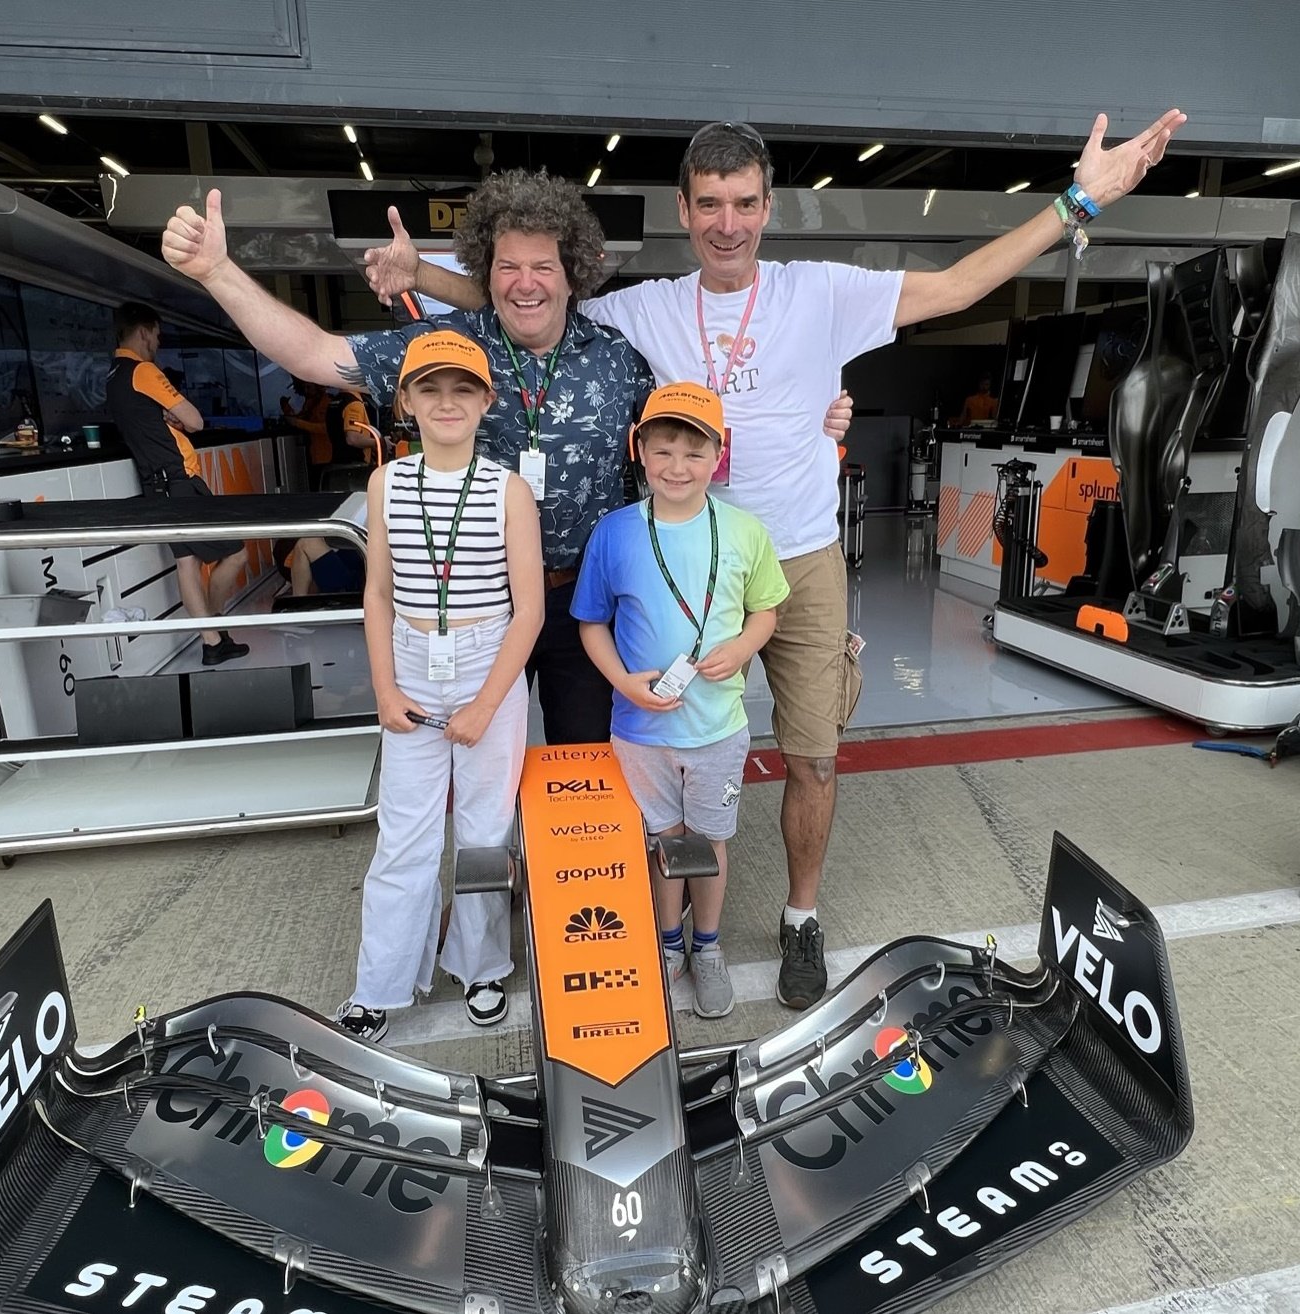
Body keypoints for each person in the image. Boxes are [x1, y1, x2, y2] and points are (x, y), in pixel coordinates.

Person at [365, 108, 1184, 1010]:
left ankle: (799, 917)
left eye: (745, 203)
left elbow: (955, 287)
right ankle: (666, 922)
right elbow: (531, 296)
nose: (728, 222)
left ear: (768, 207)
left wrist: (1077, 203)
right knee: (661, 750)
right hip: (680, 564)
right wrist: (429, 280)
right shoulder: (649, 307)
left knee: (814, 755)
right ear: (684, 209)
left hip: (797, 561)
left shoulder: (821, 292)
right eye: (710, 203)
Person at [163, 171, 651, 744]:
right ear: (486, 273)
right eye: (506, 267)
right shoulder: (447, 344)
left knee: (582, 758)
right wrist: (218, 272)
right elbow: (317, 356)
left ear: (572, 273)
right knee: (482, 766)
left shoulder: (618, 358)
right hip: (478, 605)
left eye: (543, 266)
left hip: (583, 602)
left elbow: (668, 459)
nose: (525, 284)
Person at [333, 329, 544, 1039]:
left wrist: (488, 703)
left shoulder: (508, 490)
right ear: (405, 401)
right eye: (430, 388)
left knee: (485, 830)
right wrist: (385, 690)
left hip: (490, 663)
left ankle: (481, 968)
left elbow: (530, 607)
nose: (446, 402)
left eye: (462, 389)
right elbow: (378, 596)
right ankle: (380, 983)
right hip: (414, 663)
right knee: (404, 835)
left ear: (487, 400)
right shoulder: (385, 482)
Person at [572, 383, 787, 1020]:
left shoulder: (745, 531)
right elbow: (591, 623)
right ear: (639, 451)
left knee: (710, 839)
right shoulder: (614, 534)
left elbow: (766, 609)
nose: (676, 466)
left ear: (719, 458)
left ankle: (708, 947)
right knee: (664, 838)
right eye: (662, 449)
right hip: (641, 727)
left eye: (694, 453)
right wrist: (622, 681)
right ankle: (668, 945)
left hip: (718, 724)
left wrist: (744, 647)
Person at [107, 302, 250, 666]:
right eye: (155, 334)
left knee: (187, 565)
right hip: (180, 481)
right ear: (143, 332)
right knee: (236, 553)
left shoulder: (113, 377)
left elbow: (149, 424)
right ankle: (214, 630)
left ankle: (212, 642)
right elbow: (197, 421)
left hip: (157, 486)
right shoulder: (144, 372)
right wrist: (180, 418)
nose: (157, 341)